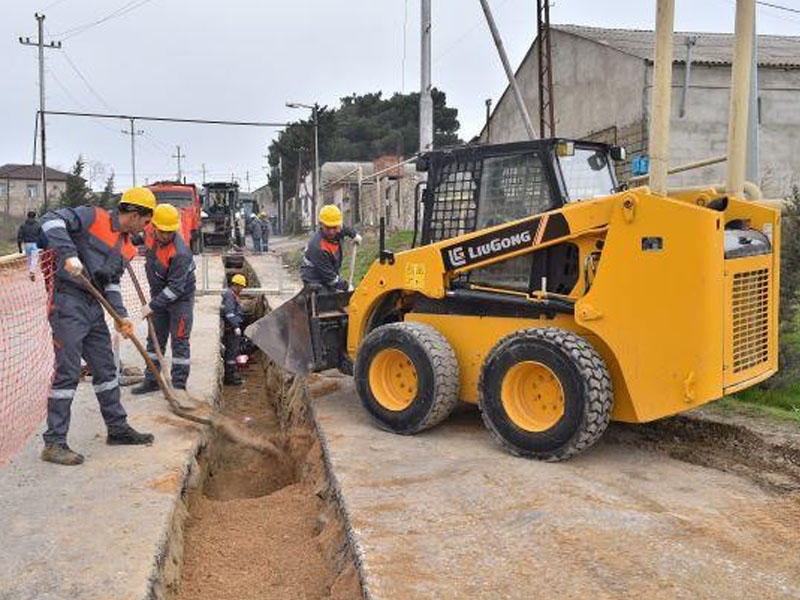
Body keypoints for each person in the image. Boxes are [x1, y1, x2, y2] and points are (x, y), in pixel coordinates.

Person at [39, 187, 157, 466]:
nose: (146, 228)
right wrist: (68, 254)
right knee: (67, 372)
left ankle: (117, 428)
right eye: (146, 221)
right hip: (68, 303)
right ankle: (54, 442)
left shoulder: (127, 246)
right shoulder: (92, 217)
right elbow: (51, 220)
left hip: (94, 306)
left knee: (106, 368)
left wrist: (121, 316)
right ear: (136, 214)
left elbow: (112, 284)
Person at [132, 204, 196, 395]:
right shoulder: (149, 233)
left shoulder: (181, 253)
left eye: (170, 232)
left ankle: (178, 386)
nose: (166, 235)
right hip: (159, 292)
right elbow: (135, 239)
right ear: (155, 227)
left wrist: (152, 305)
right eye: (163, 231)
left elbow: (175, 289)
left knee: (180, 340)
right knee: (155, 340)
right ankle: (152, 380)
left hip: (180, 298)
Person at [300, 204, 361, 292]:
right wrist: (346, 287)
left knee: (336, 289)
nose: (332, 232)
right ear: (321, 225)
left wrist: (354, 234)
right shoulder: (317, 247)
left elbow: (345, 229)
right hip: (314, 277)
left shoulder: (337, 228)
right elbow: (330, 278)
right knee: (327, 299)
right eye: (328, 228)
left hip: (329, 270)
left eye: (334, 227)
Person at [220, 273, 246, 385]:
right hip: (231, 329)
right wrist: (235, 327)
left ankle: (231, 375)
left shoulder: (232, 294)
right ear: (236, 285)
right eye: (241, 287)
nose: (242, 290)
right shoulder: (229, 296)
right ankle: (229, 379)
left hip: (233, 328)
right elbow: (229, 313)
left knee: (234, 352)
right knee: (231, 353)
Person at [17, 210, 42, 281]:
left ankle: (30, 271)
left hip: (27, 244)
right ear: (35, 217)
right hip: (35, 244)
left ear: (27, 216)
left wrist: (20, 248)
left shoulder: (23, 225)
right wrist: (43, 245)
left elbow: (19, 236)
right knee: (35, 258)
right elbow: (42, 236)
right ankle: (32, 271)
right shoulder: (38, 225)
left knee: (29, 258)